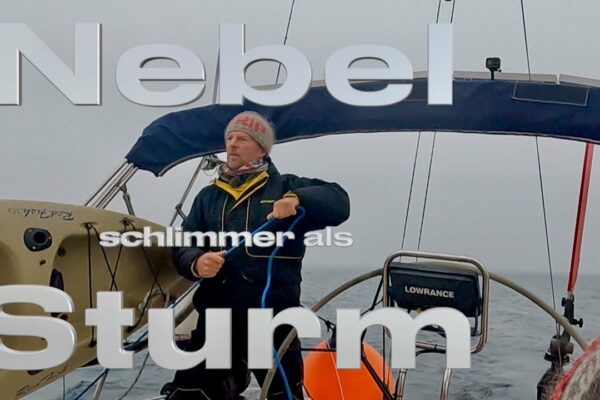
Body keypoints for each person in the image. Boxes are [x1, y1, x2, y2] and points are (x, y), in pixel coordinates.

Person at [161, 111, 350, 399]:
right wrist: (196, 262)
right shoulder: (208, 197)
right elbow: (183, 242)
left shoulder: (286, 186)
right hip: (216, 320)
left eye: (242, 139)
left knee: (283, 395)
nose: (232, 144)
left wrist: (298, 199)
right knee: (190, 393)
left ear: (261, 149)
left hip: (273, 322)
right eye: (229, 138)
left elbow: (339, 200)